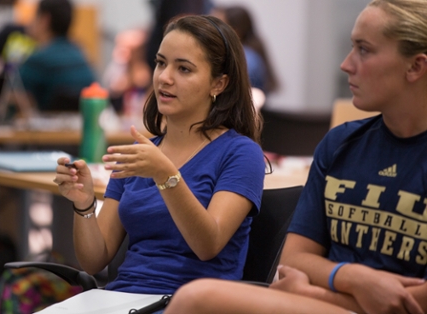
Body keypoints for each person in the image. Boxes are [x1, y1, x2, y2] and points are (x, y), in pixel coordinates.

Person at [162, 0, 427, 313]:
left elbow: (408, 303)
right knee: (195, 297)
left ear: (415, 66)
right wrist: (352, 277)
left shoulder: (239, 151)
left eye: (364, 49)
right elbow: (294, 259)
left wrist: (315, 292)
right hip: (326, 301)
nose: (346, 64)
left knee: (197, 298)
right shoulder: (341, 143)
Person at [53, 12, 265, 299]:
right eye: (161, 63)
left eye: (184, 69)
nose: (164, 78)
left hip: (193, 303)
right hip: (122, 299)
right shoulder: (142, 154)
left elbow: (208, 244)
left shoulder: (240, 153)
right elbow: (94, 260)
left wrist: (166, 175)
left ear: (219, 84)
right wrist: (84, 204)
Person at [0, 0, 95, 118]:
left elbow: (11, 100)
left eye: (35, 16)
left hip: (43, 142)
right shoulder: (82, 56)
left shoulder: (38, 60)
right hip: (76, 138)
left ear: (45, 20)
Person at [212, 5, 279, 96]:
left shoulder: (246, 59)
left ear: (235, 31)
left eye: (217, 27)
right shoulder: (249, 54)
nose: (211, 31)